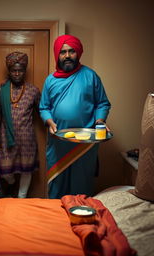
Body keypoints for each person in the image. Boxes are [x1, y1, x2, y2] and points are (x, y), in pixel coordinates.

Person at [39, 34, 111, 199]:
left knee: (81, 187)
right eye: (63, 52)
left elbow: (102, 103)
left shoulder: (90, 76)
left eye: (71, 51)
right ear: (58, 55)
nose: (67, 56)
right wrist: (49, 121)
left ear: (78, 53)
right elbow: (44, 107)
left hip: (84, 145)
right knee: (57, 187)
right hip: (58, 143)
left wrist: (100, 121)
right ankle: (57, 222)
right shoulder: (50, 81)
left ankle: (82, 222)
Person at [0, 51, 41, 198]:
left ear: (24, 71)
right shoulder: (2, 90)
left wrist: (52, 123)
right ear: (9, 71)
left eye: (20, 70)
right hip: (5, 137)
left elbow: (42, 110)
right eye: (14, 70)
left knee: (27, 170)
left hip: (27, 138)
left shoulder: (33, 90)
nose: (17, 74)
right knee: (5, 171)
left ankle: (21, 197)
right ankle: (12, 181)